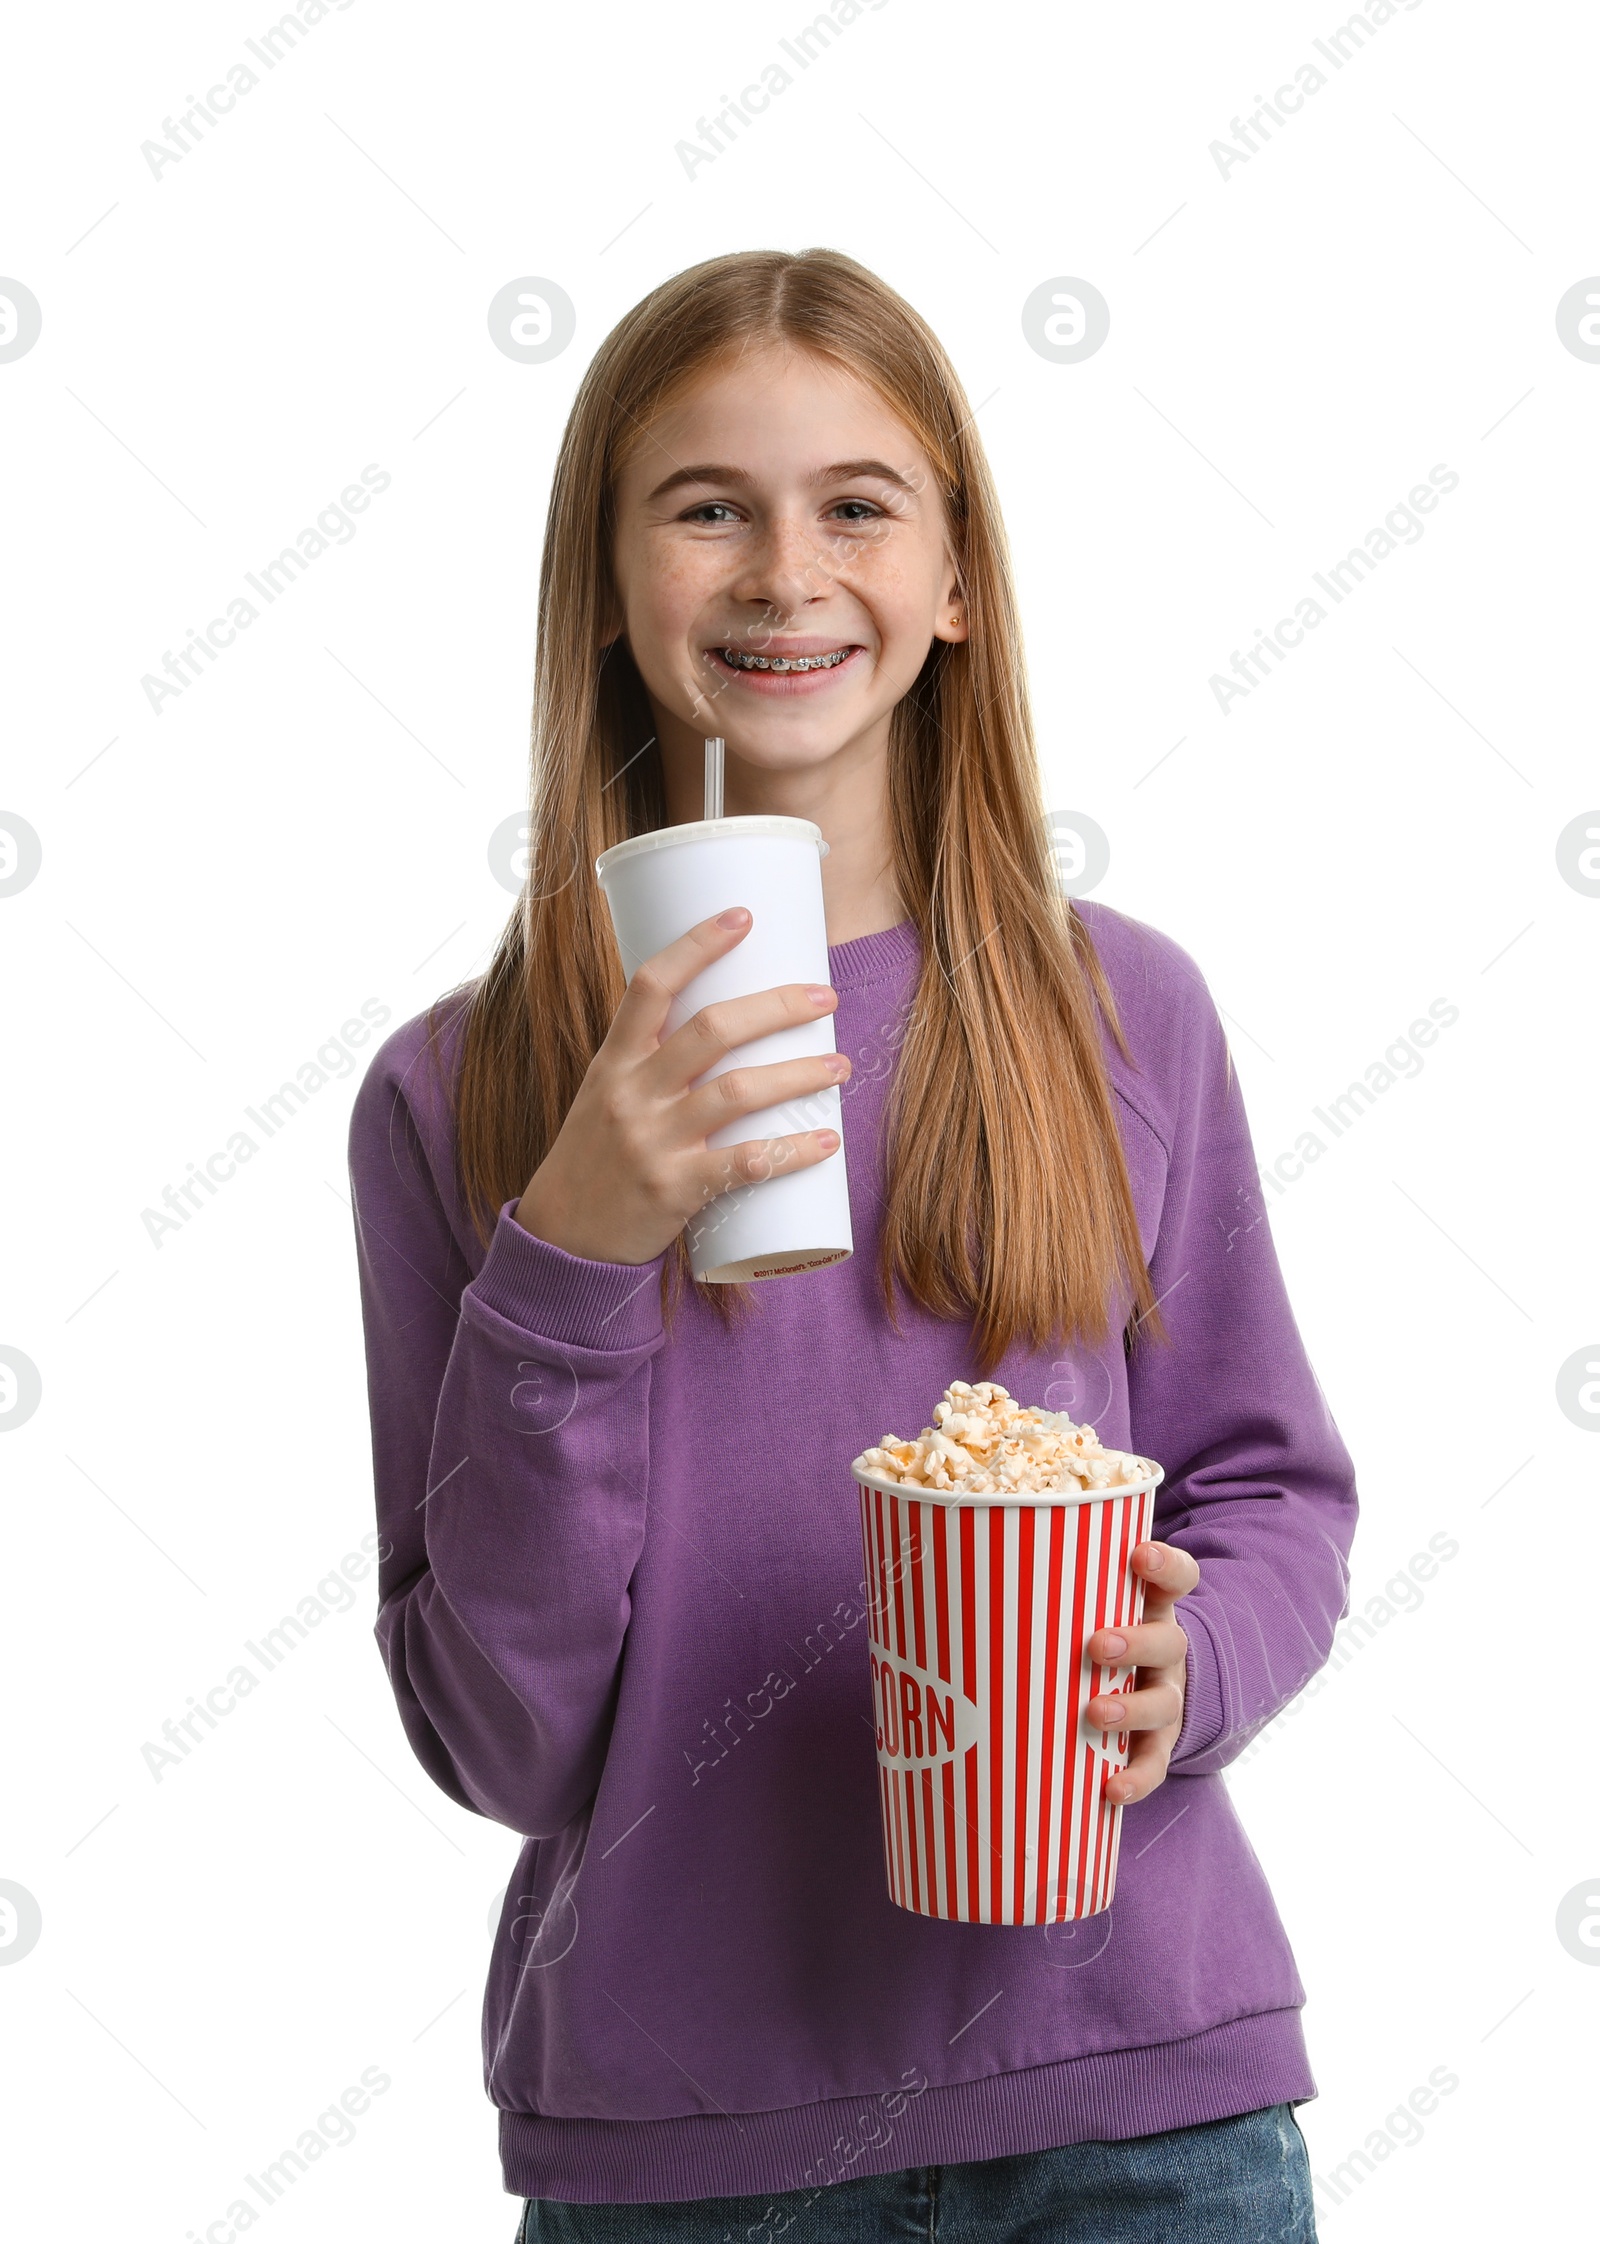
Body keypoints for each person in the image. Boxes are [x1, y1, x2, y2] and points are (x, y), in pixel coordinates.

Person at [347, 248, 1357, 2243]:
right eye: (705, 505)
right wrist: (569, 1248)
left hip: (1134, 2109)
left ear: (955, 583)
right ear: (610, 585)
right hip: (686, 2151)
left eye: (856, 506)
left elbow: (1262, 1487)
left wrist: (1196, 1658)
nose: (783, 573)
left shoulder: (1120, 1015)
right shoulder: (458, 1098)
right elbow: (503, 1734)